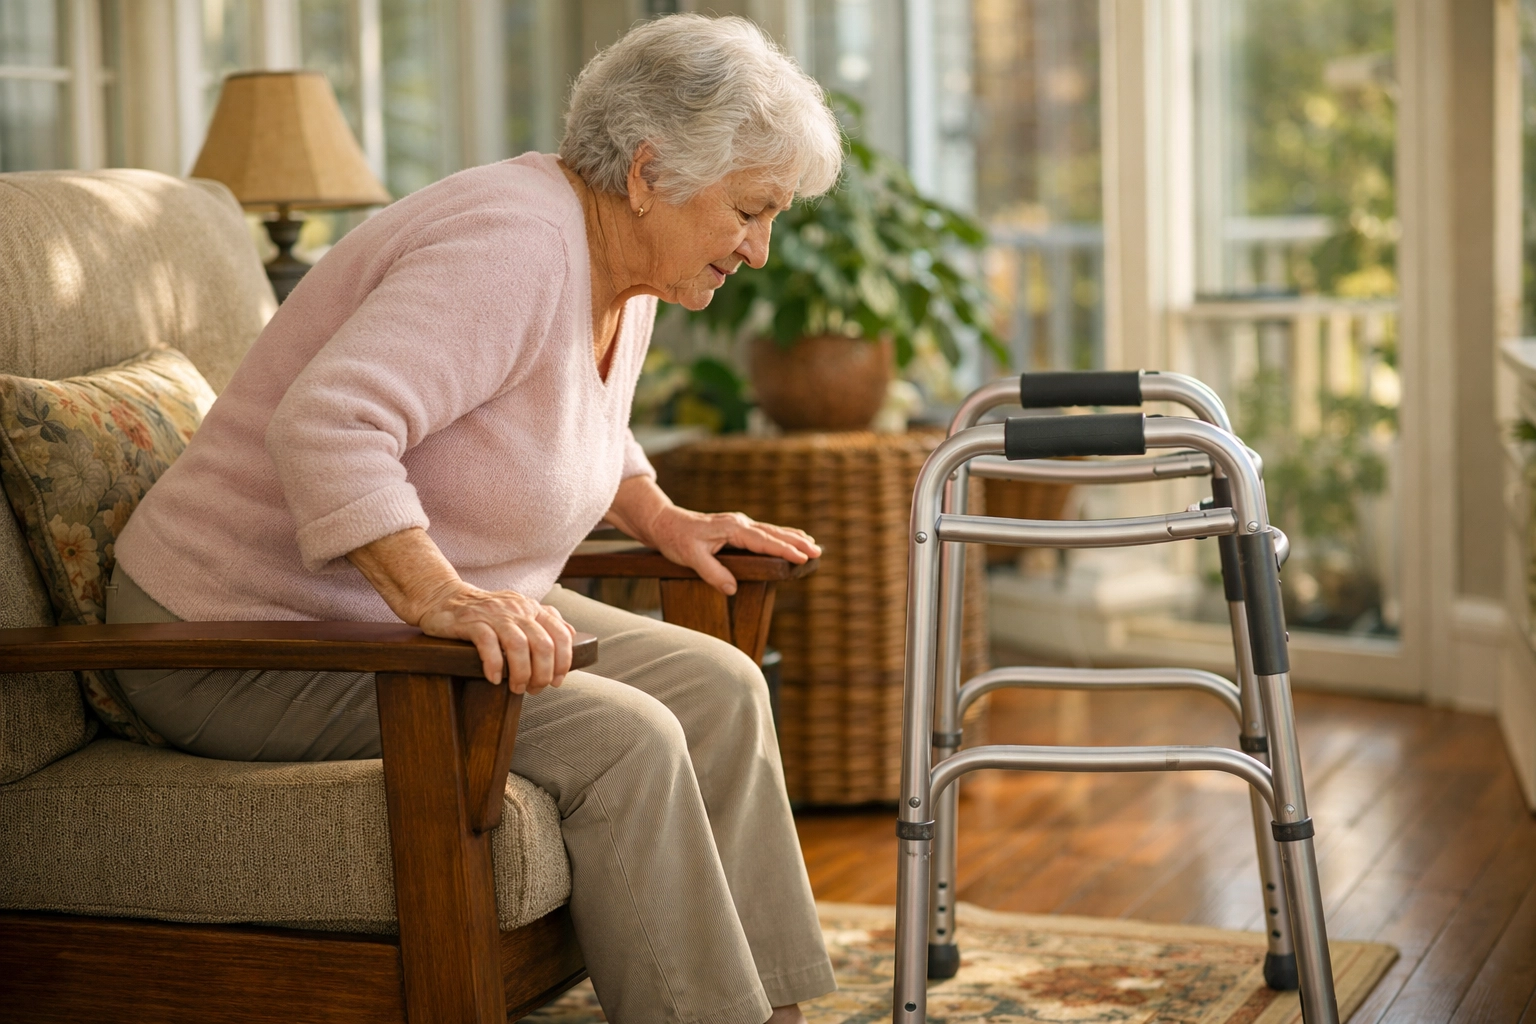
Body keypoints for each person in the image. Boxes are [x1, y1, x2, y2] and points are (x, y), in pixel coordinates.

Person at [109, 14, 845, 1024]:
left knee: (716, 685)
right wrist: (441, 593)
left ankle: (767, 1006)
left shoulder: (619, 264)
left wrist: (660, 514)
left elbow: (561, 414)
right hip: (235, 636)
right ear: (647, 173)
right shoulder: (514, 248)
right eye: (750, 212)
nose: (757, 251)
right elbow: (327, 427)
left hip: (374, 622)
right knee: (625, 737)